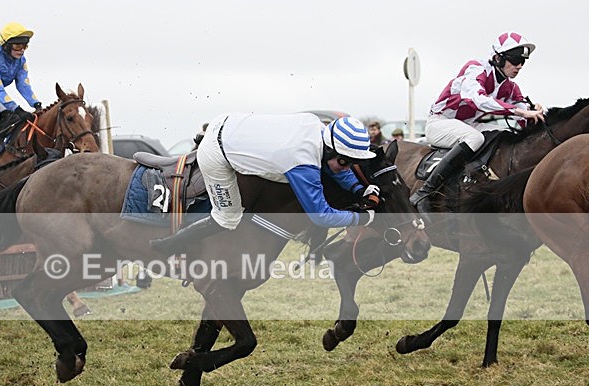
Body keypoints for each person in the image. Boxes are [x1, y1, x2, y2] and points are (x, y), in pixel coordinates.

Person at [150, 114, 379, 255]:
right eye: (345, 161)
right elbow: (321, 216)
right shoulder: (302, 162)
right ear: (330, 148)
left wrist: (359, 188)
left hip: (228, 121)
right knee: (228, 218)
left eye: (353, 163)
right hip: (215, 153)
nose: (347, 167)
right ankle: (170, 245)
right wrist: (361, 218)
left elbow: (333, 166)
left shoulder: (318, 127)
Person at [410, 31, 545, 213]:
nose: (519, 66)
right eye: (514, 60)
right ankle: (424, 192)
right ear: (498, 58)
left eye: (523, 61)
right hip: (440, 123)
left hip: (468, 126)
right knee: (475, 139)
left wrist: (533, 112)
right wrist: (519, 111)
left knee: (502, 134)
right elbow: (477, 99)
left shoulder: (510, 87)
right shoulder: (475, 68)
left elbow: (522, 115)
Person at [0, 22, 42, 133]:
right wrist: (16, 108)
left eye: (24, 46)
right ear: (5, 45)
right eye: (17, 46)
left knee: (9, 116)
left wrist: (36, 103)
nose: (21, 50)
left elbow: (23, 84)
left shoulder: (21, 60)